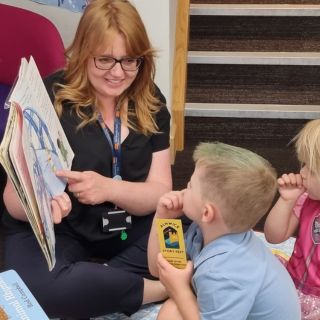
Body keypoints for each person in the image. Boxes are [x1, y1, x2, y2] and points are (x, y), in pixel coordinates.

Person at [2, 0, 171, 318]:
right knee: (29, 293)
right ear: (83, 52)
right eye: (105, 60)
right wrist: (42, 204)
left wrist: (109, 189)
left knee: (191, 221)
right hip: (63, 228)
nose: (118, 73)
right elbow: (12, 200)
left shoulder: (151, 99)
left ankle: (95, 282)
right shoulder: (49, 95)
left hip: (124, 223)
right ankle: (156, 289)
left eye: (129, 60)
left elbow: (161, 191)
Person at [148, 142, 301, 320]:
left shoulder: (224, 273)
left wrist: (180, 290)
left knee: (174, 308)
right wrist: (163, 219)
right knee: (172, 309)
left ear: (206, 212)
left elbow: (174, 283)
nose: (182, 190)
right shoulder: (207, 232)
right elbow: (158, 268)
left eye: (190, 185)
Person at [264, 119, 320, 320]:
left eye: (311, 170)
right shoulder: (306, 198)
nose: (302, 172)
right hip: (291, 282)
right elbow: (274, 236)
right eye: (303, 164)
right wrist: (287, 200)